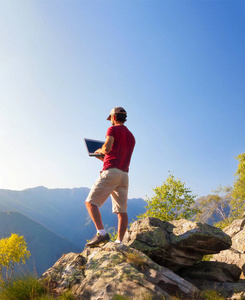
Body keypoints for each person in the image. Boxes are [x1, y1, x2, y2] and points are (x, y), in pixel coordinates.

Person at [85, 107, 135, 247]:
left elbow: (107, 149)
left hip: (111, 173)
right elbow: (116, 156)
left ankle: (101, 233)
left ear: (113, 117)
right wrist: (103, 158)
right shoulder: (131, 137)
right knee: (121, 210)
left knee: (90, 203)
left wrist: (99, 151)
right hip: (124, 175)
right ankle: (119, 242)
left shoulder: (112, 130)